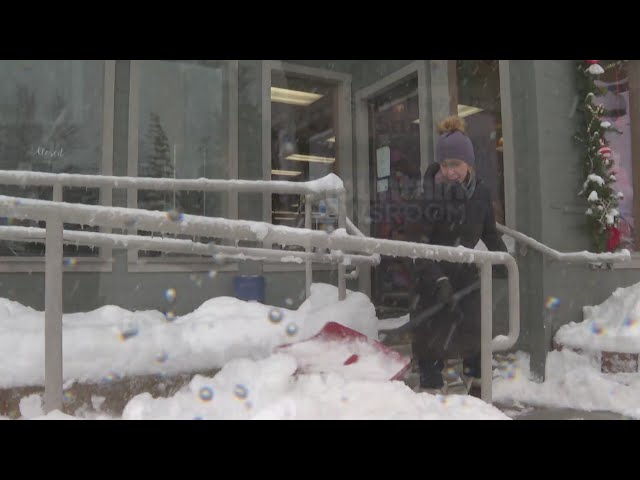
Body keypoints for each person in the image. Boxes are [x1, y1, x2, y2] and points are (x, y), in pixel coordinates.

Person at [409, 115, 508, 393]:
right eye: (444, 165)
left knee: (473, 335)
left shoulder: (481, 193)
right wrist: (437, 281)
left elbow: (489, 232)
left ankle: (476, 392)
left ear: (469, 164)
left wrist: (503, 261)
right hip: (432, 277)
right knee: (431, 341)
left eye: (456, 165)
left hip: (465, 276)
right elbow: (419, 242)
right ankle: (430, 392)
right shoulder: (428, 194)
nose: (450, 171)